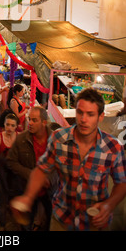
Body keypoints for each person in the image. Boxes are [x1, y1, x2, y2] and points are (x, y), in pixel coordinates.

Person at [11, 89, 126, 231]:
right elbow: (42, 169)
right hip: (62, 220)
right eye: (80, 112)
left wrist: (109, 205)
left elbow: (122, 183)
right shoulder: (59, 138)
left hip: (95, 223)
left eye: (90, 114)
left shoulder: (113, 147)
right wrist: (28, 196)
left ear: (101, 116)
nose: (83, 119)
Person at [6, 106, 54, 230]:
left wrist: (49, 179)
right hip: (26, 188)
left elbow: (61, 166)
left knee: (51, 221)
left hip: (50, 192)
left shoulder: (55, 140)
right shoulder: (21, 139)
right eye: (29, 119)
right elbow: (10, 161)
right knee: (26, 224)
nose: (30, 123)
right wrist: (32, 175)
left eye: (34, 120)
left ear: (44, 122)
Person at [0, 113, 18, 230]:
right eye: (7, 125)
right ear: (4, 125)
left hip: (13, 174)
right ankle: (2, 225)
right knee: (2, 200)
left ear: (16, 126)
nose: (9, 128)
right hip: (0, 175)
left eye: (12, 125)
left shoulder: (19, 137)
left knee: (13, 197)